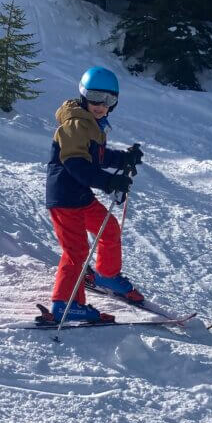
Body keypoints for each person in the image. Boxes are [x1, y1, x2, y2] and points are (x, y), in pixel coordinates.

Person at [47, 66, 144, 323]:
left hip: (80, 195)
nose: (101, 105)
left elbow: (97, 156)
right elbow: (76, 164)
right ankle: (65, 304)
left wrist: (124, 159)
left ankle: (106, 275)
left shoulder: (91, 125)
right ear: (83, 94)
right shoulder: (75, 124)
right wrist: (109, 181)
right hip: (65, 198)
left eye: (108, 100)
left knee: (108, 228)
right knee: (77, 252)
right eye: (95, 97)